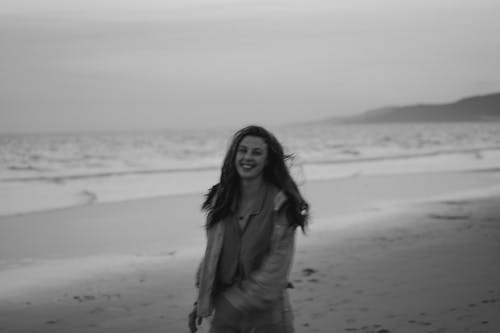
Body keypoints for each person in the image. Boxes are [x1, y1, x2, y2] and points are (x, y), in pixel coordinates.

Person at [188, 125, 309, 333]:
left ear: (267, 160)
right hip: (225, 310)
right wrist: (202, 300)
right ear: (234, 155)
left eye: (257, 152)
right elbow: (213, 255)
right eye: (242, 150)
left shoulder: (281, 203)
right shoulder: (221, 199)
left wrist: (235, 303)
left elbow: (276, 268)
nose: (247, 157)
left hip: (266, 315)